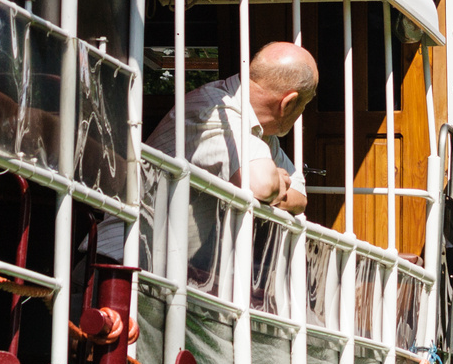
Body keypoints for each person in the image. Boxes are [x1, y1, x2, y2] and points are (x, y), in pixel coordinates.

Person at [96, 40, 316, 269]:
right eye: (304, 106)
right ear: (288, 104)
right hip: (121, 261)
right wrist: (275, 186)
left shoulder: (260, 130)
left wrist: (274, 186)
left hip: (159, 268)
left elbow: (300, 194)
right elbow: (262, 185)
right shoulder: (216, 111)